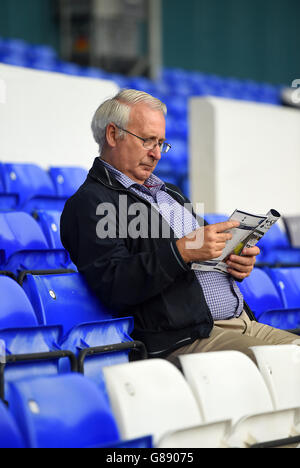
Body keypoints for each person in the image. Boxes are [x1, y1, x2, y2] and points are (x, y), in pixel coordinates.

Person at [60, 89, 298, 366]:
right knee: (291, 366)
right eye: (148, 141)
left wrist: (235, 261)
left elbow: (205, 251)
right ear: (113, 135)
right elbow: (115, 285)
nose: (157, 154)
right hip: (189, 340)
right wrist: (183, 251)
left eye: (161, 143)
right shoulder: (89, 203)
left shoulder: (170, 193)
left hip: (242, 323)